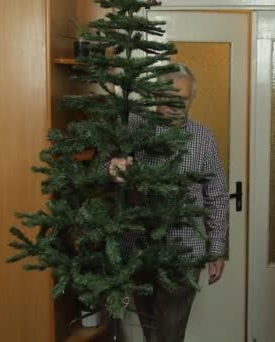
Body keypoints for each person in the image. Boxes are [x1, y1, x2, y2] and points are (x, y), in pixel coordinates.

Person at [108, 64, 228, 342]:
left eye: (183, 100)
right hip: (139, 246)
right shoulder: (133, 128)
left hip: (185, 249)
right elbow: (104, 157)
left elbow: (217, 195)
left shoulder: (204, 138)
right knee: (150, 326)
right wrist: (112, 166)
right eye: (168, 98)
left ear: (191, 100)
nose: (176, 106)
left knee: (170, 330)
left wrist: (217, 247)